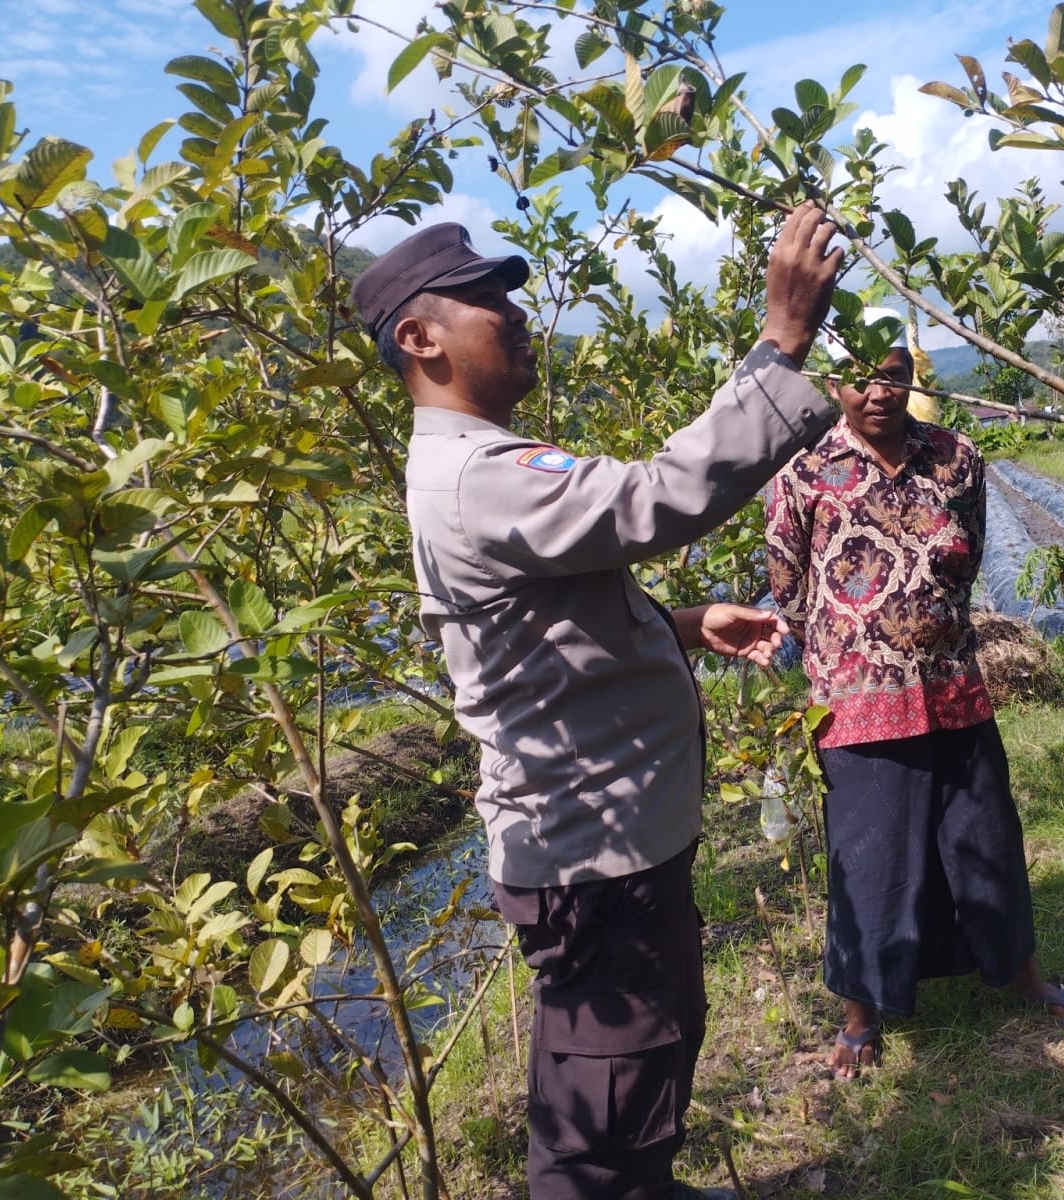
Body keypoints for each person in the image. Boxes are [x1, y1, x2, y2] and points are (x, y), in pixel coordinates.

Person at [352, 206, 841, 1199]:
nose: (518, 314)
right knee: (598, 1117)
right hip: (592, 859)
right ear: (419, 337)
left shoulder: (474, 472)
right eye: (490, 302)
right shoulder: (474, 475)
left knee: (642, 1062)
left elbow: (540, 639)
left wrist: (680, 624)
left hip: (614, 844)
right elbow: (650, 499)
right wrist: (781, 342)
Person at [764, 330, 1064, 1081]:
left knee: (984, 836)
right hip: (854, 702)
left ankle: (1023, 976)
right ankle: (860, 1016)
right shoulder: (805, 471)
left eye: (891, 376)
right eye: (860, 379)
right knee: (869, 855)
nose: (877, 392)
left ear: (908, 379)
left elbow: (968, 557)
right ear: (834, 386)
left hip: (953, 687)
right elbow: (788, 587)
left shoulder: (956, 458)